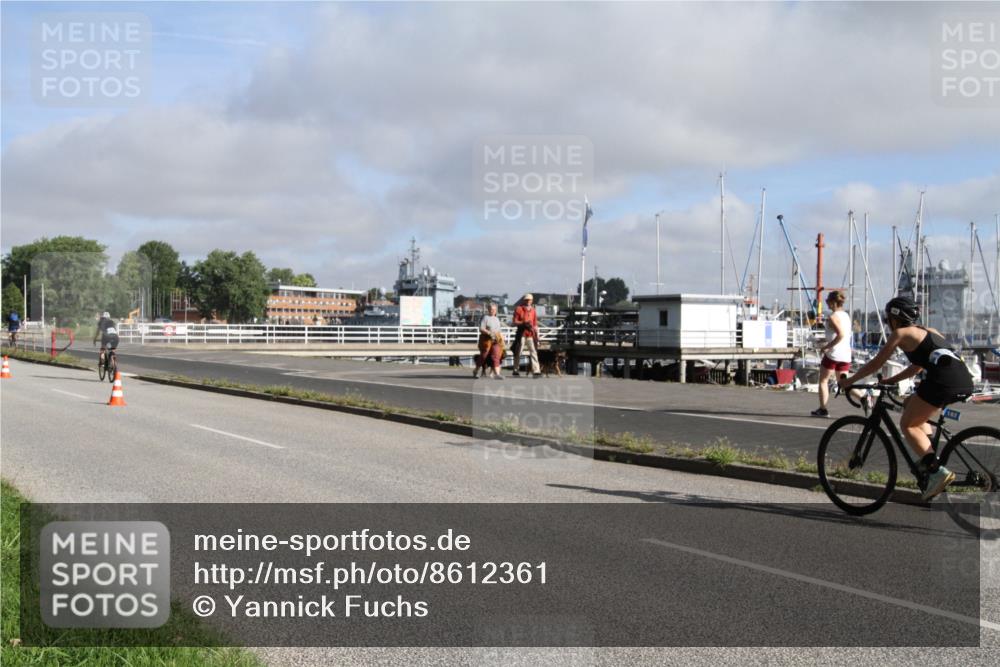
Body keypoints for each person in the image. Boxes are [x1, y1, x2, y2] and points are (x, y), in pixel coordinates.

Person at [838, 296, 974, 501]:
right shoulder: (929, 331)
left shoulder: (900, 333)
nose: (888, 324)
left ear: (895, 319)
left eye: (888, 320)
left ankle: (936, 470)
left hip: (942, 382)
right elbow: (917, 366)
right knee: (911, 403)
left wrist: (849, 381)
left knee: (907, 425)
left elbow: (876, 363)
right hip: (963, 380)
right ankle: (928, 457)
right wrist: (890, 380)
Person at [812, 291, 851, 417]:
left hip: (833, 354)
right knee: (844, 383)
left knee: (823, 381)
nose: (826, 302)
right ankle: (864, 398)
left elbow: (840, 335)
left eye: (828, 300)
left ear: (833, 302)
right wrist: (825, 340)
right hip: (845, 355)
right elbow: (838, 335)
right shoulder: (846, 315)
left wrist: (826, 347)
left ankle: (823, 409)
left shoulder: (833, 317)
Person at [511, 293, 541, 378]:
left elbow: (535, 324)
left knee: (533, 351)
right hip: (521, 333)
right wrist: (523, 323)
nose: (528, 301)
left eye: (529, 300)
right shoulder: (519, 309)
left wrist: (537, 335)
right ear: (524, 300)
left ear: (532, 301)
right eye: (527, 300)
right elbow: (514, 321)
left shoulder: (533, 310)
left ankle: (536, 370)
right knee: (518, 351)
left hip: (531, 334)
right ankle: (516, 370)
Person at [475, 303, 505, 379]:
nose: (493, 311)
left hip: (496, 339)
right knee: (484, 355)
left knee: (496, 355)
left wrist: (501, 337)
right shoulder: (485, 318)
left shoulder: (497, 319)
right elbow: (481, 328)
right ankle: (476, 371)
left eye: (494, 309)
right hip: (486, 339)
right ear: (488, 310)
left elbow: (498, 331)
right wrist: (488, 332)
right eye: (491, 309)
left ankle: (497, 374)